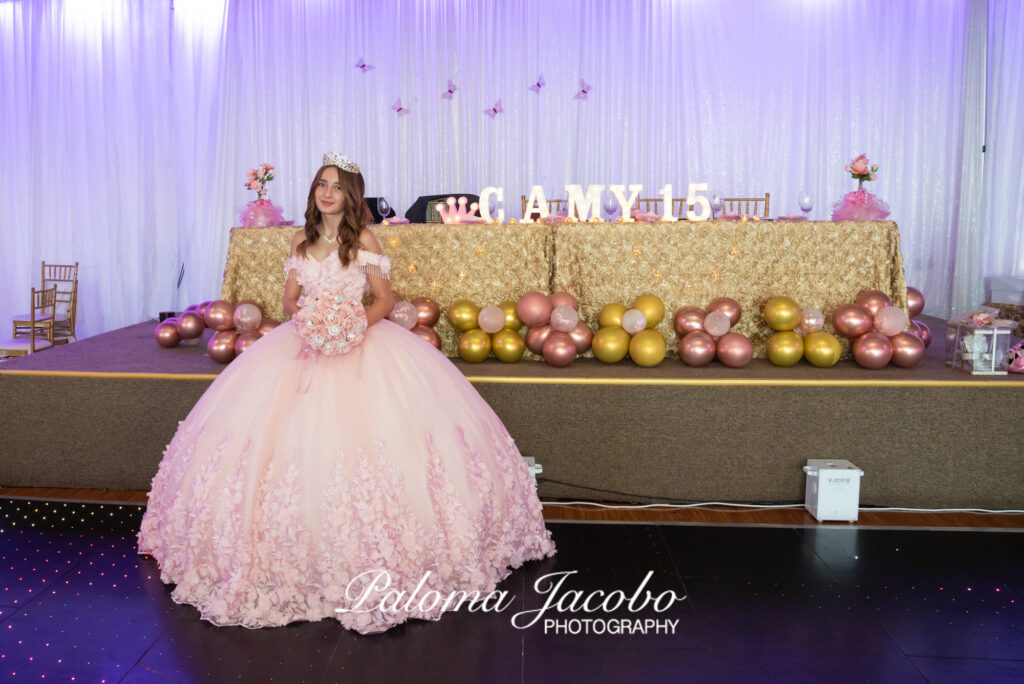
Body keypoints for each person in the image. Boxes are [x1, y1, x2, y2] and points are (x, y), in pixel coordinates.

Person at [138, 153, 555, 633]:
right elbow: (289, 299)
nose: (327, 192)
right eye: (321, 184)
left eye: (337, 186)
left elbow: (384, 300)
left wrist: (350, 323)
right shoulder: (300, 239)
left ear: (351, 194)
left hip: (361, 344)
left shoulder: (365, 241)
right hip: (302, 345)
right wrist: (309, 317)